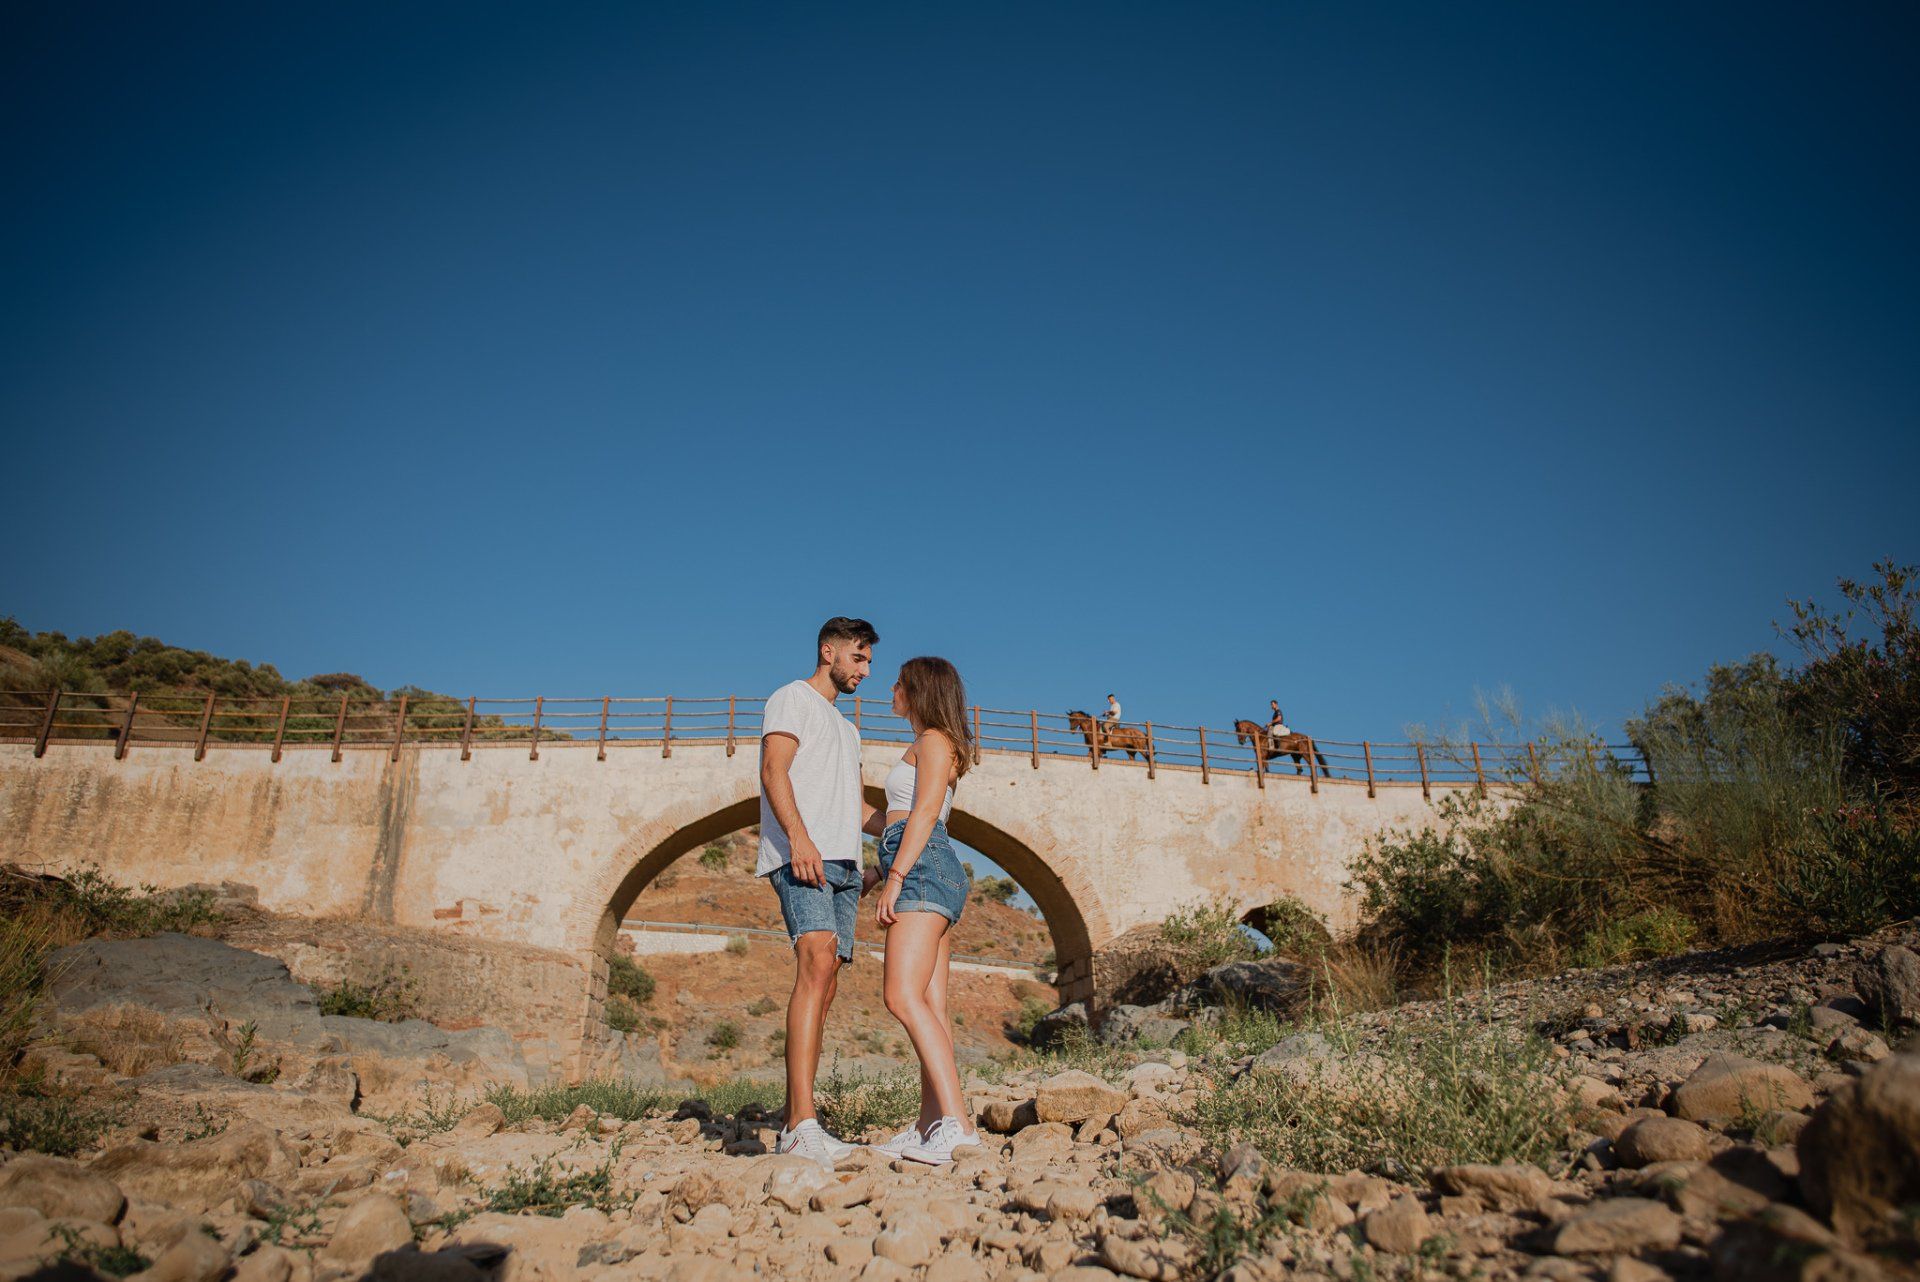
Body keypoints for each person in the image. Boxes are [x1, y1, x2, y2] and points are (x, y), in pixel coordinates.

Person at [758, 616, 883, 1168]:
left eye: (869, 662)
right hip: (802, 857)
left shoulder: (848, 729)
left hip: (845, 865)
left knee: (827, 980)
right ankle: (803, 1126)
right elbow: (773, 771)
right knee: (815, 963)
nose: (865, 670)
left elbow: (857, 810)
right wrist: (800, 838)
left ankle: (795, 1118)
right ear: (828, 650)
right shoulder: (790, 699)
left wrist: (910, 824)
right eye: (858, 658)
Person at [869, 656, 981, 1165]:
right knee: (931, 1007)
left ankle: (956, 1124)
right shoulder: (922, 744)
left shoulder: (934, 741)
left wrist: (894, 877)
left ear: (918, 690)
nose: (891, 689)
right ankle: (929, 1125)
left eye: (898, 683)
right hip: (921, 863)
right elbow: (893, 818)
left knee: (900, 995)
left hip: (923, 868)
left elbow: (926, 812)